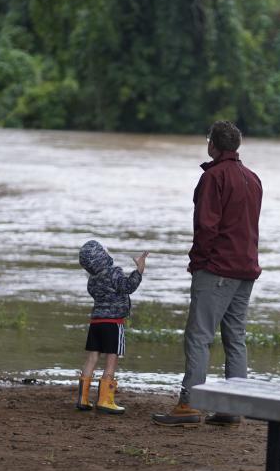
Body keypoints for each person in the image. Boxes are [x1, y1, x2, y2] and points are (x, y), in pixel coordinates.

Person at [152, 120, 263, 427]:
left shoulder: (213, 176)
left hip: (217, 269)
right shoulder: (253, 179)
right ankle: (231, 407)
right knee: (235, 338)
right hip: (246, 269)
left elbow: (206, 227)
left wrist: (198, 263)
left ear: (213, 145)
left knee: (199, 336)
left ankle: (189, 404)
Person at [76, 240, 148, 415]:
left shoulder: (91, 280)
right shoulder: (114, 273)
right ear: (103, 256)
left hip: (96, 323)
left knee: (92, 357)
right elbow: (128, 287)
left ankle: (83, 399)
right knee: (112, 358)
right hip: (113, 323)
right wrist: (139, 270)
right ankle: (105, 400)